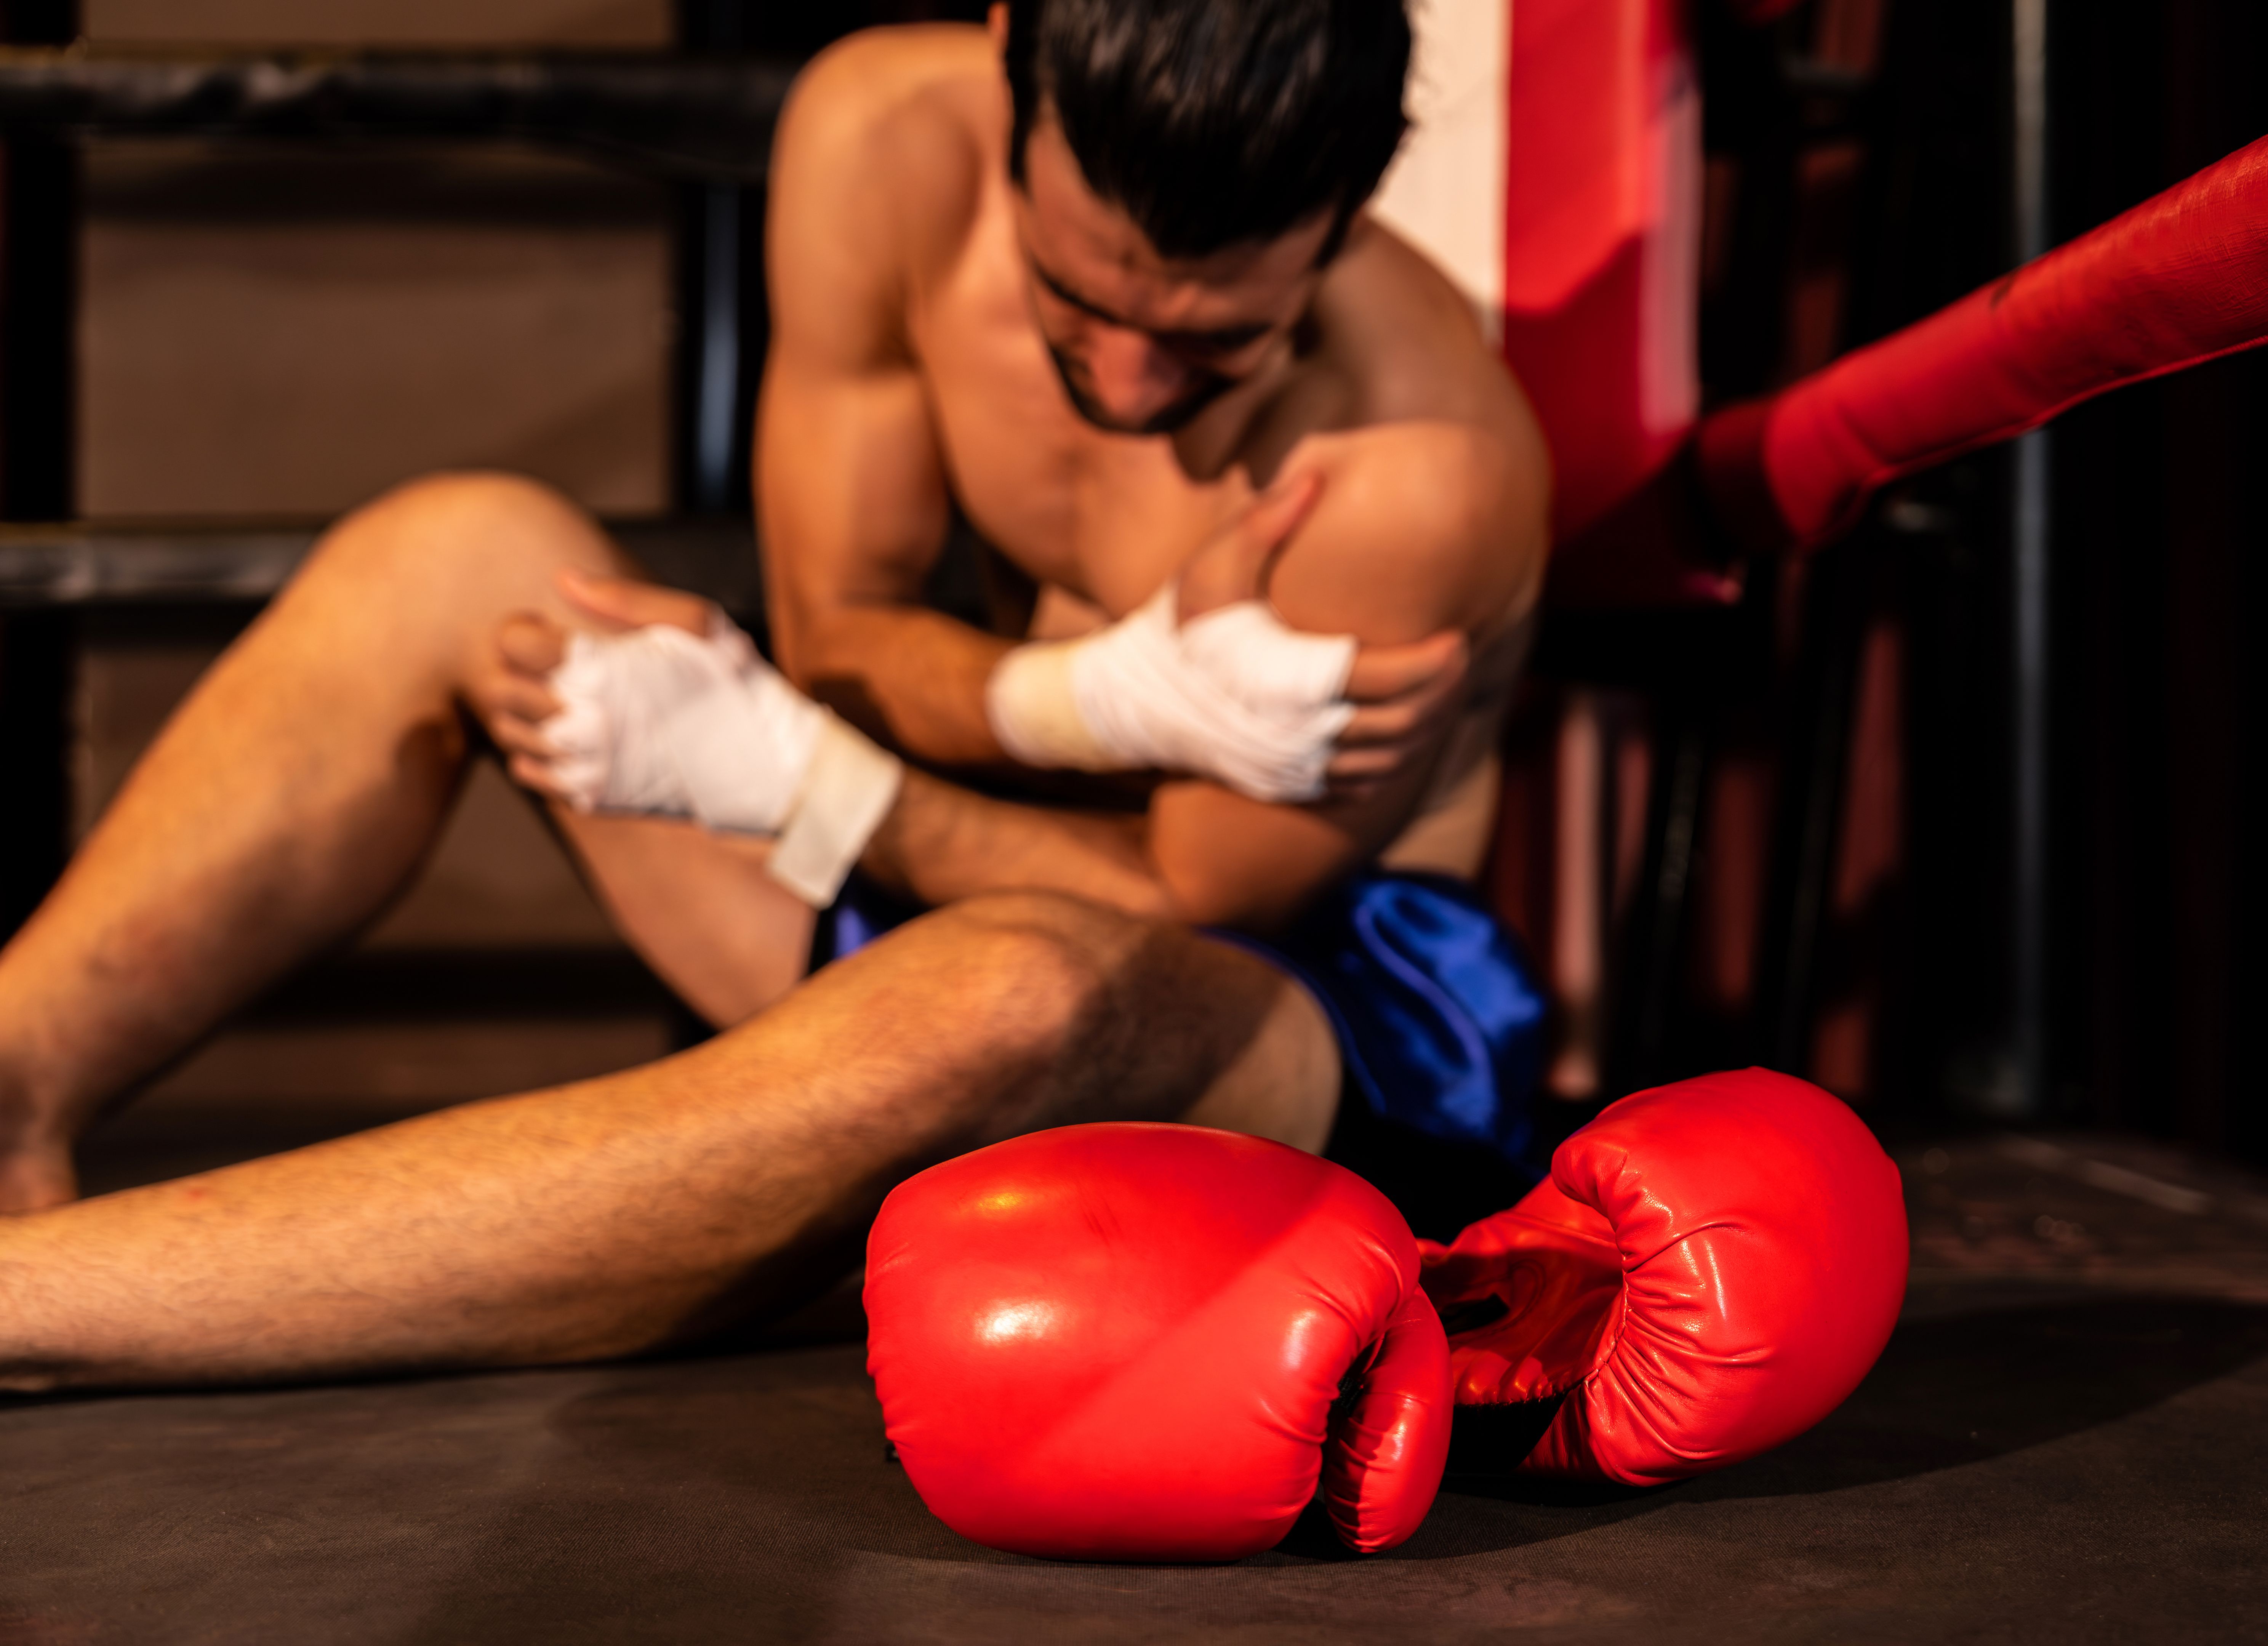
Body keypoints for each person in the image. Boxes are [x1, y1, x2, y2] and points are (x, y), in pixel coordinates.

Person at [0, 0, 1548, 1391]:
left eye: (1216, 338)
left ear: (1351, 207)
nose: (1131, 382)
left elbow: (1188, 905)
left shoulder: (1408, 469)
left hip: (1299, 1026)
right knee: (457, 556)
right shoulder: (883, 140)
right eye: (1075, 298)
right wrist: (1100, 705)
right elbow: (846, 635)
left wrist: (811, 785)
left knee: (1019, 989)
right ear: (1014, 71)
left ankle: (32, 1304)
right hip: (939, 915)